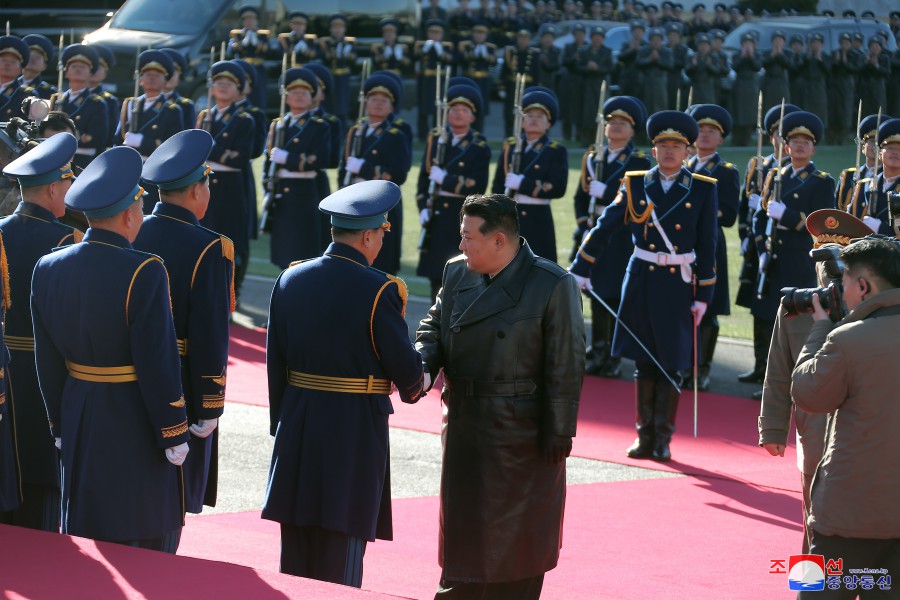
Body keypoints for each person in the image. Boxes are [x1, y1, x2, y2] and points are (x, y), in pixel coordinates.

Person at [415, 193, 584, 600]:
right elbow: (433, 328)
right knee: (464, 538)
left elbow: (566, 362)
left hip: (521, 434)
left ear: (499, 241)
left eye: (468, 237)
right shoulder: (457, 273)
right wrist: (422, 367)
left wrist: (560, 430)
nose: (461, 245)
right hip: (464, 425)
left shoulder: (551, 283)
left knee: (518, 550)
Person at [263, 180, 425, 586]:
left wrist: (281, 423)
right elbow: (407, 372)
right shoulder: (379, 289)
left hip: (297, 423)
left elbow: (275, 363)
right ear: (369, 235)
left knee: (296, 548)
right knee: (342, 549)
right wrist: (417, 380)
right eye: (381, 235)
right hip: (352, 429)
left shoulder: (290, 278)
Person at [31, 146, 190, 552]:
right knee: (140, 533)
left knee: (90, 525)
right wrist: (172, 428)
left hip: (78, 405)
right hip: (132, 413)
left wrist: (58, 422)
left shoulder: (49, 264)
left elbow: (46, 359)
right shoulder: (144, 268)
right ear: (129, 214)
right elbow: (157, 359)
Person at [570, 110, 718, 461]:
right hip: (641, 279)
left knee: (670, 360)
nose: (669, 152)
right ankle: (643, 434)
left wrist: (704, 296)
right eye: (663, 145)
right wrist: (580, 267)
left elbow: (708, 246)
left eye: (677, 146)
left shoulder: (701, 188)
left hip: (678, 284)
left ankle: (663, 437)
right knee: (642, 359)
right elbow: (605, 227)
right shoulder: (635, 183)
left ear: (687, 152)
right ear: (653, 151)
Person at [791, 237, 900, 598]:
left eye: (846, 284)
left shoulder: (847, 340)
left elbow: (807, 394)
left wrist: (821, 327)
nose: (842, 293)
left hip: (845, 519)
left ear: (864, 285)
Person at [134, 129, 234, 515]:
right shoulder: (208, 246)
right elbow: (210, 334)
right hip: (180, 378)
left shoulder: (130, 227)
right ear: (197, 190)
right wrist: (209, 405)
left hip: (125, 369)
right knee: (169, 498)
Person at [758, 210, 869, 554]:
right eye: (821, 263)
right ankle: (812, 584)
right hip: (814, 434)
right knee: (813, 520)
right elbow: (778, 371)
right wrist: (773, 429)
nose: (826, 274)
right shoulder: (795, 308)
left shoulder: (872, 309)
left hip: (862, 437)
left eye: (835, 264)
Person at [0, 132, 81, 531]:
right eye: (67, 184)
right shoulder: (67, 240)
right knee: (44, 477)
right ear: (53, 188)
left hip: (4, 367)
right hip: (46, 369)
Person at [751, 111, 836, 395]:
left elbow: (821, 224)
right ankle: (765, 376)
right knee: (765, 314)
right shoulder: (775, 175)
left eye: (805, 141)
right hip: (773, 254)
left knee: (796, 318)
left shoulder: (822, 181)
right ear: (786, 146)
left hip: (800, 256)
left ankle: (794, 379)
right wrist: (762, 243)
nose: (799, 146)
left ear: (813, 148)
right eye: (794, 141)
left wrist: (787, 215)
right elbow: (761, 215)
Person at [573, 96, 650, 378]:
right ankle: (598, 349)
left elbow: (637, 201)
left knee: (615, 295)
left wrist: (606, 193)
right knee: (593, 293)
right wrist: (584, 222)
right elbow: (580, 198)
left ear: (632, 130)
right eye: (611, 122)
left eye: (623, 123)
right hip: (595, 232)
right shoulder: (593, 158)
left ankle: (615, 354)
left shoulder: (640, 161)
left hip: (620, 235)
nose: (615, 127)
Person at [735, 102, 800, 390]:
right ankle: (759, 364)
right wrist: (747, 235)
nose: (777, 139)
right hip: (758, 246)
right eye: (775, 134)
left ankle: (774, 373)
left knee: (778, 308)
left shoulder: (791, 171)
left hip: (785, 249)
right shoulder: (758, 166)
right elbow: (745, 205)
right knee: (757, 305)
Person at [416, 83, 490, 302]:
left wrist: (445, 179)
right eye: (453, 110)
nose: (458, 114)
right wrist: (422, 208)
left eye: (464, 110)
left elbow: (477, 186)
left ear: (473, 117)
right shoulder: (437, 141)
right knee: (435, 276)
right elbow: (423, 180)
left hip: (461, 215)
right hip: (436, 215)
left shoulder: (478, 146)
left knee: (461, 274)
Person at [685, 103, 739, 391]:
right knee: (680, 306)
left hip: (709, 246)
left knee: (708, 308)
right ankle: (682, 364)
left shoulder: (726, 172)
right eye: (700, 129)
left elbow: (729, 216)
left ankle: (701, 369)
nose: (704, 135)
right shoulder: (681, 167)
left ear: (721, 138)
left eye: (712, 131)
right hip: (680, 245)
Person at [339, 73, 411, 275]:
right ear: (365, 102)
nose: (378, 104)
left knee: (382, 261)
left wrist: (364, 168)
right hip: (354, 201)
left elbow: (399, 173)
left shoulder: (396, 135)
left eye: (384, 101)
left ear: (391, 105)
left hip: (381, 202)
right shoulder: (356, 131)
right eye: (373, 99)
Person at [196, 61, 254, 298]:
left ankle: (230, 294)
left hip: (230, 187)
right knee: (202, 237)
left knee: (229, 241)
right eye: (218, 82)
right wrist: (222, 152)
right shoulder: (204, 117)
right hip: (205, 184)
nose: (222, 86)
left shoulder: (244, 119)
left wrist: (210, 150)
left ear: (239, 90)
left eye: (229, 83)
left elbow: (240, 158)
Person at [263, 67, 331, 268]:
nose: (299, 97)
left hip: (305, 192)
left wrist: (290, 158)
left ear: (312, 97)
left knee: (305, 250)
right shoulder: (278, 125)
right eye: (294, 92)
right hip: (281, 192)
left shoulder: (319, 126)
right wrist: (267, 188)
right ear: (286, 97)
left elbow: (321, 159)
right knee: (283, 250)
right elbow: (269, 162)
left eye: (304, 93)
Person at [491, 87, 568, 262]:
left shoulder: (555, 151)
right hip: (509, 217)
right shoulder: (510, 146)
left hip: (538, 217)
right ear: (521, 121)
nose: (533, 120)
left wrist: (523, 183)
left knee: (538, 269)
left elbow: (558, 187)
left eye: (540, 116)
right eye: (529, 115)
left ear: (549, 123)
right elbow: (497, 184)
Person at [117, 50, 184, 213]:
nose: (151, 78)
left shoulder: (172, 110)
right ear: (140, 79)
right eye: (147, 74)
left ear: (165, 80)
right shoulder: (130, 104)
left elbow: (173, 147)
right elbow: (117, 137)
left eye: (157, 75)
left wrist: (142, 142)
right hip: (130, 169)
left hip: (154, 171)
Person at [846, 118, 900, 235]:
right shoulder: (864, 185)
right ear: (880, 153)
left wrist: (880, 228)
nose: (895, 153)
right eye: (890, 148)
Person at [414, 20, 455, 141]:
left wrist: (441, 52)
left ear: (441, 35)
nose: (435, 36)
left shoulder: (446, 46)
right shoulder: (422, 45)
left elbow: (451, 60)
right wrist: (424, 50)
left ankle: (437, 132)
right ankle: (422, 134)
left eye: (437, 33)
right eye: (432, 33)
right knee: (423, 107)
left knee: (439, 106)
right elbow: (414, 58)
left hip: (439, 79)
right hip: (425, 79)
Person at [227, 5, 270, 109]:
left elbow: (269, 52)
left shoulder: (262, 35)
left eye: (252, 19)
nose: (249, 22)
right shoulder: (238, 35)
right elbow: (229, 52)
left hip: (258, 69)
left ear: (256, 21)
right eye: (246, 19)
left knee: (258, 98)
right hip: (242, 70)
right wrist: (237, 44)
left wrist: (260, 44)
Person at [576, 26, 614, 145]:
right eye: (595, 37)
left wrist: (598, 68)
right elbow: (577, 67)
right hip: (586, 85)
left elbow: (611, 68)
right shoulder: (583, 50)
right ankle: (585, 139)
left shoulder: (607, 51)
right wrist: (587, 67)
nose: (597, 39)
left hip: (600, 84)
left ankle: (600, 138)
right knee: (586, 113)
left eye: (599, 37)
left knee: (601, 112)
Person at [458, 22, 496, 134]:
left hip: (483, 81)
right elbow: (460, 59)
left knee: (480, 107)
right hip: (469, 79)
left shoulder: (489, 47)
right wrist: (472, 52)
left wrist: (486, 55)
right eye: (477, 33)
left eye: (482, 34)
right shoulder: (465, 45)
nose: (480, 36)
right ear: (473, 34)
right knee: (467, 105)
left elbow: (493, 63)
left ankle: (479, 133)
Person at [501, 29, 540, 138]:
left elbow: (537, 72)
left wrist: (536, 88)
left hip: (527, 85)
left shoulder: (533, 53)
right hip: (512, 85)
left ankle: (524, 135)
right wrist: (502, 85)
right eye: (521, 38)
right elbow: (505, 70)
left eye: (525, 38)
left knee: (526, 111)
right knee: (510, 112)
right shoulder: (511, 52)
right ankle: (509, 136)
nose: (523, 41)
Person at [319, 13, 356, 124]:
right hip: (330, 77)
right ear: (330, 29)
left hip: (344, 78)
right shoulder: (326, 43)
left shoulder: (349, 43)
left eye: (340, 27)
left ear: (344, 29)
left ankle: (343, 131)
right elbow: (322, 58)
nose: (337, 30)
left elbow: (353, 59)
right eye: (335, 27)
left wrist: (347, 54)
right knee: (329, 106)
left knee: (343, 107)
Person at [829, 33, 863, 145]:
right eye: (843, 43)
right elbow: (830, 68)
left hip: (848, 86)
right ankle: (833, 137)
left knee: (846, 111)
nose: (845, 45)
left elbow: (856, 69)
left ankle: (843, 137)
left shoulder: (854, 55)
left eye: (847, 43)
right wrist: (837, 61)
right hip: (835, 86)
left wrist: (844, 62)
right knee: (835, 111)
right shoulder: (835, 53)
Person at [730, 32, 761, 146]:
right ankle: (736, 138)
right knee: (738, 111)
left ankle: (747, 138)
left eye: (750, 43)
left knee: (749, 112)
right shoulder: (737, 55)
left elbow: (757, 67)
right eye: (745, 43)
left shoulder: (757, 55)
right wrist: (743, 56)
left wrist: (751, 56)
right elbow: (735, 67)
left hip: (751, 85)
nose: (748, 45)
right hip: (739, 85)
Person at [88, 45, 121, 150]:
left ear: (105, 73)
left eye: (100, 66)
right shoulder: (64, 96)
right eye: (91, 66)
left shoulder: (109, 101)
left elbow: (109, 138)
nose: (95, 70)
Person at [0, 36, 37, 121]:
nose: (7, 64)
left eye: (13, 61)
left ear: (20, 70)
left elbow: (33, 128)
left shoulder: (28, 94)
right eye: (3, 60)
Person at [637, 28, 673, 114]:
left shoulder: (666, 51)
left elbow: (670, 65)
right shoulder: (644, 50)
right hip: (646, 83)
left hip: (660, 83)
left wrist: (658, 60)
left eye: (658, 39)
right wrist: (650, 59)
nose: (656, 42)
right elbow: (638, 63)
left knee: (660, 107)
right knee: (646, 107)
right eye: (653, 39)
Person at [19, 34, 57, 100]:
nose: (33, 59)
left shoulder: (50, 93)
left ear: (44, 66)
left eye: (38, 57)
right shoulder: (8, 85)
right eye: (30, 56)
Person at [761, 31, 791, 108]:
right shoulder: (766, 53)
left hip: (782, 85)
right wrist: (772, 55)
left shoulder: (787, 53)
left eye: (780, 40)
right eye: (776, 40)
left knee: (782, 107)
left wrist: (780, 54)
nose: (777, 43)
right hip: (769, 84)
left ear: (784, 43)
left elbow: (789, 65)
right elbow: (763, 64)